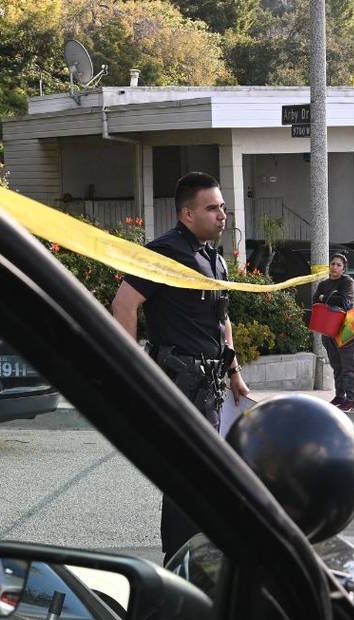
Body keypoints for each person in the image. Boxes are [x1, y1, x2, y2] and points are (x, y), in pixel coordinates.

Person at [110, 171, 249, 562]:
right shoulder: (165, 252)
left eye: (222, 206)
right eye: (212, 208)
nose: (222, 214)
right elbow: (123, 304)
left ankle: (201, 559)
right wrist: (131, 369)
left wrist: (234, 372)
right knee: (186, 479)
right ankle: (177, 566)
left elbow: (222, 321)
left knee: (206, 478)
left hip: (210, 386)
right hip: (178, 381)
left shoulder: (214, 259)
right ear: (187, 214)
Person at [313, 253, 354, 412]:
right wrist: (326, 298)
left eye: (339, 265)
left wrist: (325, 298)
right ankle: (340, 396)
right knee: (336, 365)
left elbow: (345, 302)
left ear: (344, 268)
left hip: (345, 330)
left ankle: (350, 400)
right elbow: (315, 300)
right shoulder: (323, 284)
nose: (335, 267)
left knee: (348, 367)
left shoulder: (347, 282)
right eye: (333, 264)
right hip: (328, 329)